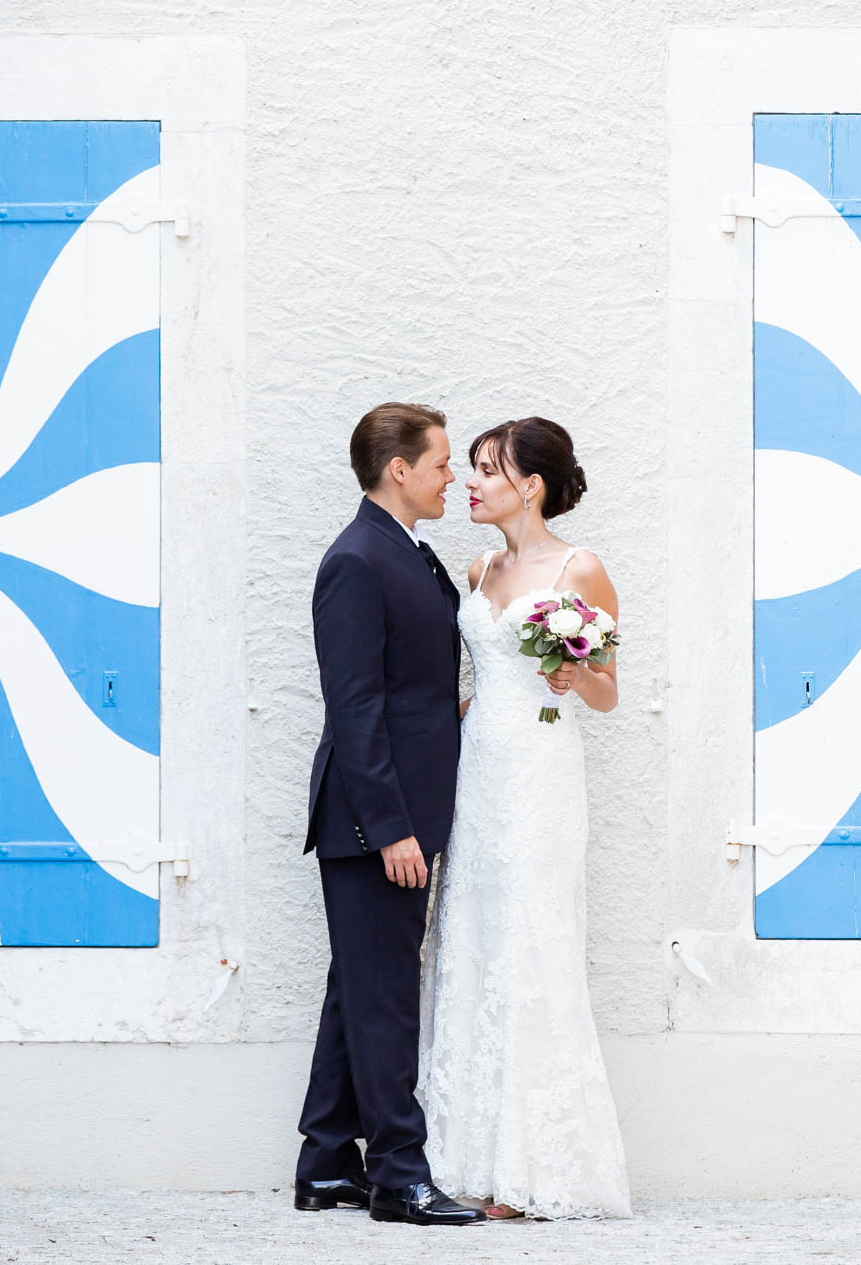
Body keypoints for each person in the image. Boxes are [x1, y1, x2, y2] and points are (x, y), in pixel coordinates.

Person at [417, 416, 633, 1220]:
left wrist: (575, 677)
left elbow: (609, 690)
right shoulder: (478, 567)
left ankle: (533, 1167)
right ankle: (465, 1158)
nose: (469, 482)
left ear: (530, 484)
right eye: (467, 468)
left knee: (531, 940)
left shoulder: (582, 568)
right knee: (471, 935)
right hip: (479, 767)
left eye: (485, 469)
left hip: (541, 773)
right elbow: (475, 677)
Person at [294, 402, 487, 1227]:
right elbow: (356, 707)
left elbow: (412, 688)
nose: (454, 477)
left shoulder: (408, 550)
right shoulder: (356, 561)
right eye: (443, 462)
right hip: (377, 820)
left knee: (359, 987)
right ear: (399, 470)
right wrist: (391, 828)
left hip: (404, 811)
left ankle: (328, 1162)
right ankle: (399, 1177)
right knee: (384, 997)